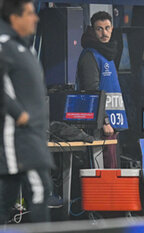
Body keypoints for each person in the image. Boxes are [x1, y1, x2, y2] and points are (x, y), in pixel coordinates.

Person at [0, 0, 54, 224]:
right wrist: (18, 113)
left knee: (5, 199)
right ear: (15, 18)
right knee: (41, 188)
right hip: (18, 136)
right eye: (30, 13)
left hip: (34, 134)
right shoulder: (4, 44)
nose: (36, 18)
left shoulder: (26, 47)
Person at [76, 11, 127, 168]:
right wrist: (104, 120)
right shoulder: (90, 55)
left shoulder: (108, 54)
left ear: (112, 28)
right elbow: (92, 90)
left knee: (112, 169)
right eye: (99, 29)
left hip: (114, 124)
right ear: (93, 30)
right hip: (101, 126)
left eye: (107, 28)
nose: (104, 33)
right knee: (103, 171)